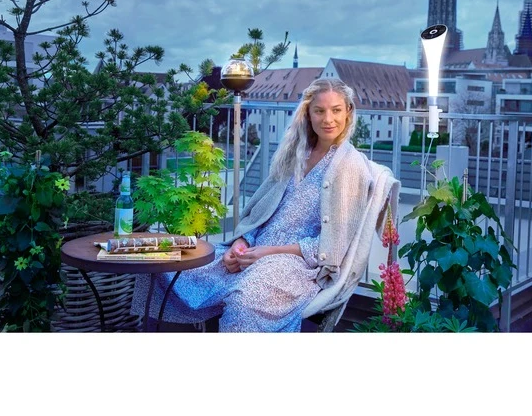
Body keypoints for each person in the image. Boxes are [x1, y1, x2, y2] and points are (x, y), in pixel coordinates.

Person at [131, 78, 400, 332]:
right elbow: (261, 213)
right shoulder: (296, 154)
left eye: (336, 110)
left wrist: (267, 253)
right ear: (308, 114)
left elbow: (332, 248)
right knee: (171, 265)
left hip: (296, 265)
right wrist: (241, 243)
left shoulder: (350, 167)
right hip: (255, 250)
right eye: (319, 111)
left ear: (348, 112)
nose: (328, 119)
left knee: (245, 299)